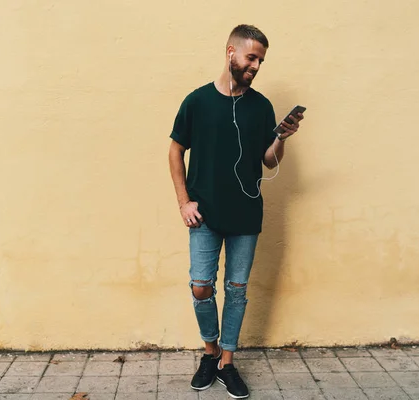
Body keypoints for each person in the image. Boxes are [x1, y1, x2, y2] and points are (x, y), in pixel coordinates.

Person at [168, 24, 304, 398]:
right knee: (201, 287)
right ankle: (209, 352)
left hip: (245, 214)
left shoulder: (260, 106)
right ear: (231, 52)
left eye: (260, 60)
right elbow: (175, 150)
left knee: (238, 290)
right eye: (251, 57)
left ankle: (227, 361)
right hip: (204, 214)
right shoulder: (197, 101)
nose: (256, 66)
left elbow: (268, 160)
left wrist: (281, 138)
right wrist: (184, 201)